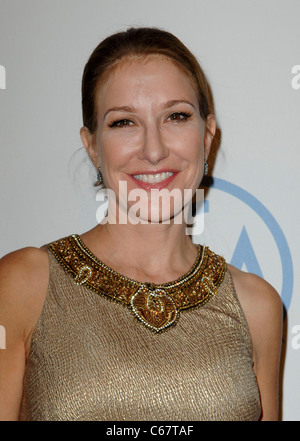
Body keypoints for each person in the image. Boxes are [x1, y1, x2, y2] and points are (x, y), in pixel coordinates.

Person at [0, 27, 282, 421]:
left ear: (207, 137)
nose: (153, 150)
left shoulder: (256, 306)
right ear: (92, 145)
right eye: (123, 123)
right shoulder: (22, 286)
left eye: (176, 116)